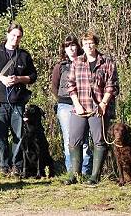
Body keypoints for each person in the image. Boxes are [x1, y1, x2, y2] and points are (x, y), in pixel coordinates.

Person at [0, 22, 37, 176]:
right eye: (13, 35)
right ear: (7, 34)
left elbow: (32, 77)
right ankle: (3, 167)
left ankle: (17, 167)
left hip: (18, 101)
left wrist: (19, 79)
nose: (15, 39)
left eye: (18, 37)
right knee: (0, 136)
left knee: (18, 136)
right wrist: (2, 78)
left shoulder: (24, 55)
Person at [64, 32, 119, 185]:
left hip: (99, 108)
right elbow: (70, 84)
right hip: (80, 108)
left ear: (96, 44)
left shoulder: (107, 62)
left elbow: (112, 85)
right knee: (74, 141)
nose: (88, 46)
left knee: (99, 142)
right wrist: (76, 104)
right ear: (82, 45)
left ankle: (94, 176)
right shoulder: (77, 62)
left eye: (91, 43)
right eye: (85, 43)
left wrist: (103, 103)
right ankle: (74, 175)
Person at [50, 36, 92, 175]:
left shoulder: (86, 62)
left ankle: (85, 172)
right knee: (69, 139)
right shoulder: (60, 66)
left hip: (84, 104)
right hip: (65, 105)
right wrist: (63, 99)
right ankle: (72, 173)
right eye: (67, 46)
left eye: (73, 45)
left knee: (84, 139)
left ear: (78, 47)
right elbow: (54, 87)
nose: (71, 49)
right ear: (64, 49)